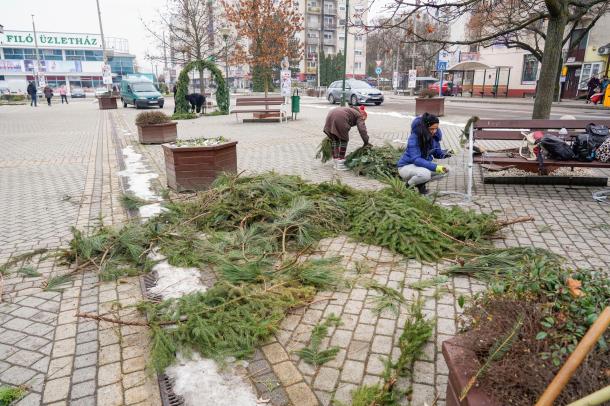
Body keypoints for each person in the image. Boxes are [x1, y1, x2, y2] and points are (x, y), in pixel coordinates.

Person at [397, 112, 453, 194]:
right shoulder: (414, 137)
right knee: (425, 174)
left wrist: (446, 153)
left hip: (421, 166)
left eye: (436, 128)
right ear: (425, 127)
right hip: (406, 167)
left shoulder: (434, 137)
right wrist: (436, 167)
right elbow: (416, 159)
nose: (434, 131)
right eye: (431, 129)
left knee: (447, 170)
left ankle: (420, 184)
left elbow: (437, 152)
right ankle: (407, 187)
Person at [323, 105, 370, 170]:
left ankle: (336, 161)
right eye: (364, 119)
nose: (363, 121)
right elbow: (362, 130)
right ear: (363, 116)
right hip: (341, 118)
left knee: (335, 139)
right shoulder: (359, 116)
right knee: (344, 140)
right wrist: (366, 142)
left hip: (330, 115)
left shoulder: (351, 110)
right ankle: (340, 163)